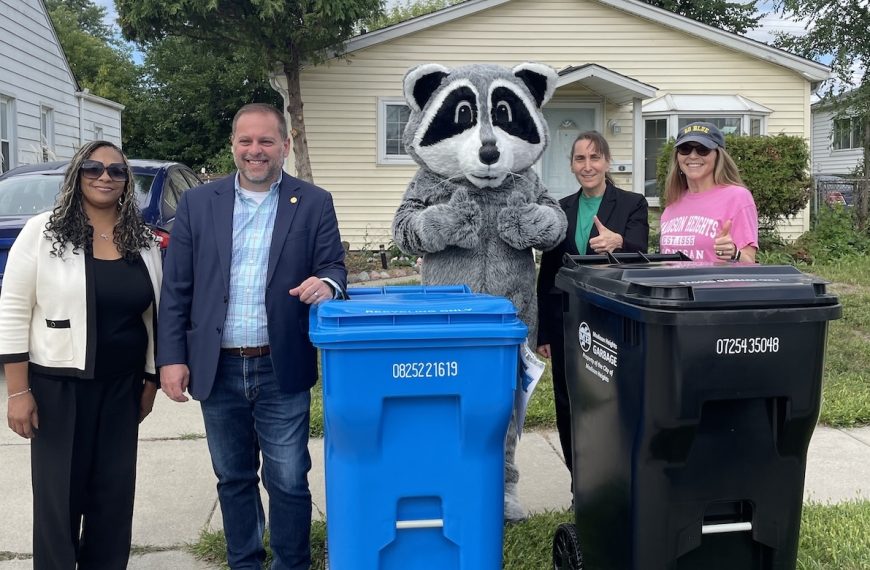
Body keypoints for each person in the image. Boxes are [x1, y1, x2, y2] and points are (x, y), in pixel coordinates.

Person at [157, 103, 347, 570]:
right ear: (233, 146)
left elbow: (333, 265)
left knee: (287, 478)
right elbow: (177, 287)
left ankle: (291, 563)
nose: (255, 151)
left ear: (284, 145)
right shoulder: (200, 203)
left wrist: (328, 285)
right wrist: (171, 358)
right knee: (233, 476)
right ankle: (245, 562)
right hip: (216, 365)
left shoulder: (314, 201)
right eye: (246, 141)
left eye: (266, 141)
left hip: (279, 363)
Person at [0, 140, 162, 569]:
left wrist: (150, 380)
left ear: (127, 183)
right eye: (93, 167)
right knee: (59, 507)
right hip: (58, 390)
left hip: (121, 390)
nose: (104, 176)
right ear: (77, 174)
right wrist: (18, 392)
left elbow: (154, 314)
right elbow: (13, 309)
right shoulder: (43, 231)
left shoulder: (142, 239)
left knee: (112, 503)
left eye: (116, 171)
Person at [536, 131, 649, 480]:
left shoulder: (632, 204)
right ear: (571, 165)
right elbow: (548, 273)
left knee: (608, 401)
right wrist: (543, 330)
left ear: (607, 162)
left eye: (595, 157)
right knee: (568, 402)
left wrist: (620, 242)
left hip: (610, 320)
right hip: (565, 321)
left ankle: (610, 477)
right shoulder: (560, 209)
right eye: (580, 159)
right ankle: (578, 482)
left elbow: (643, 257)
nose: (588, 166)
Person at [659, 122, 758, 263]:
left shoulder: (737, 197)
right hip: (676, 285)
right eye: (685, 149)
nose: (693, 156)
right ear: (677, 157)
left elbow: (749, 260)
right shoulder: (673, 202)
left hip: (716, 285)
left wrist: (734, 253)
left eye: (703, 149)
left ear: (718, 156)